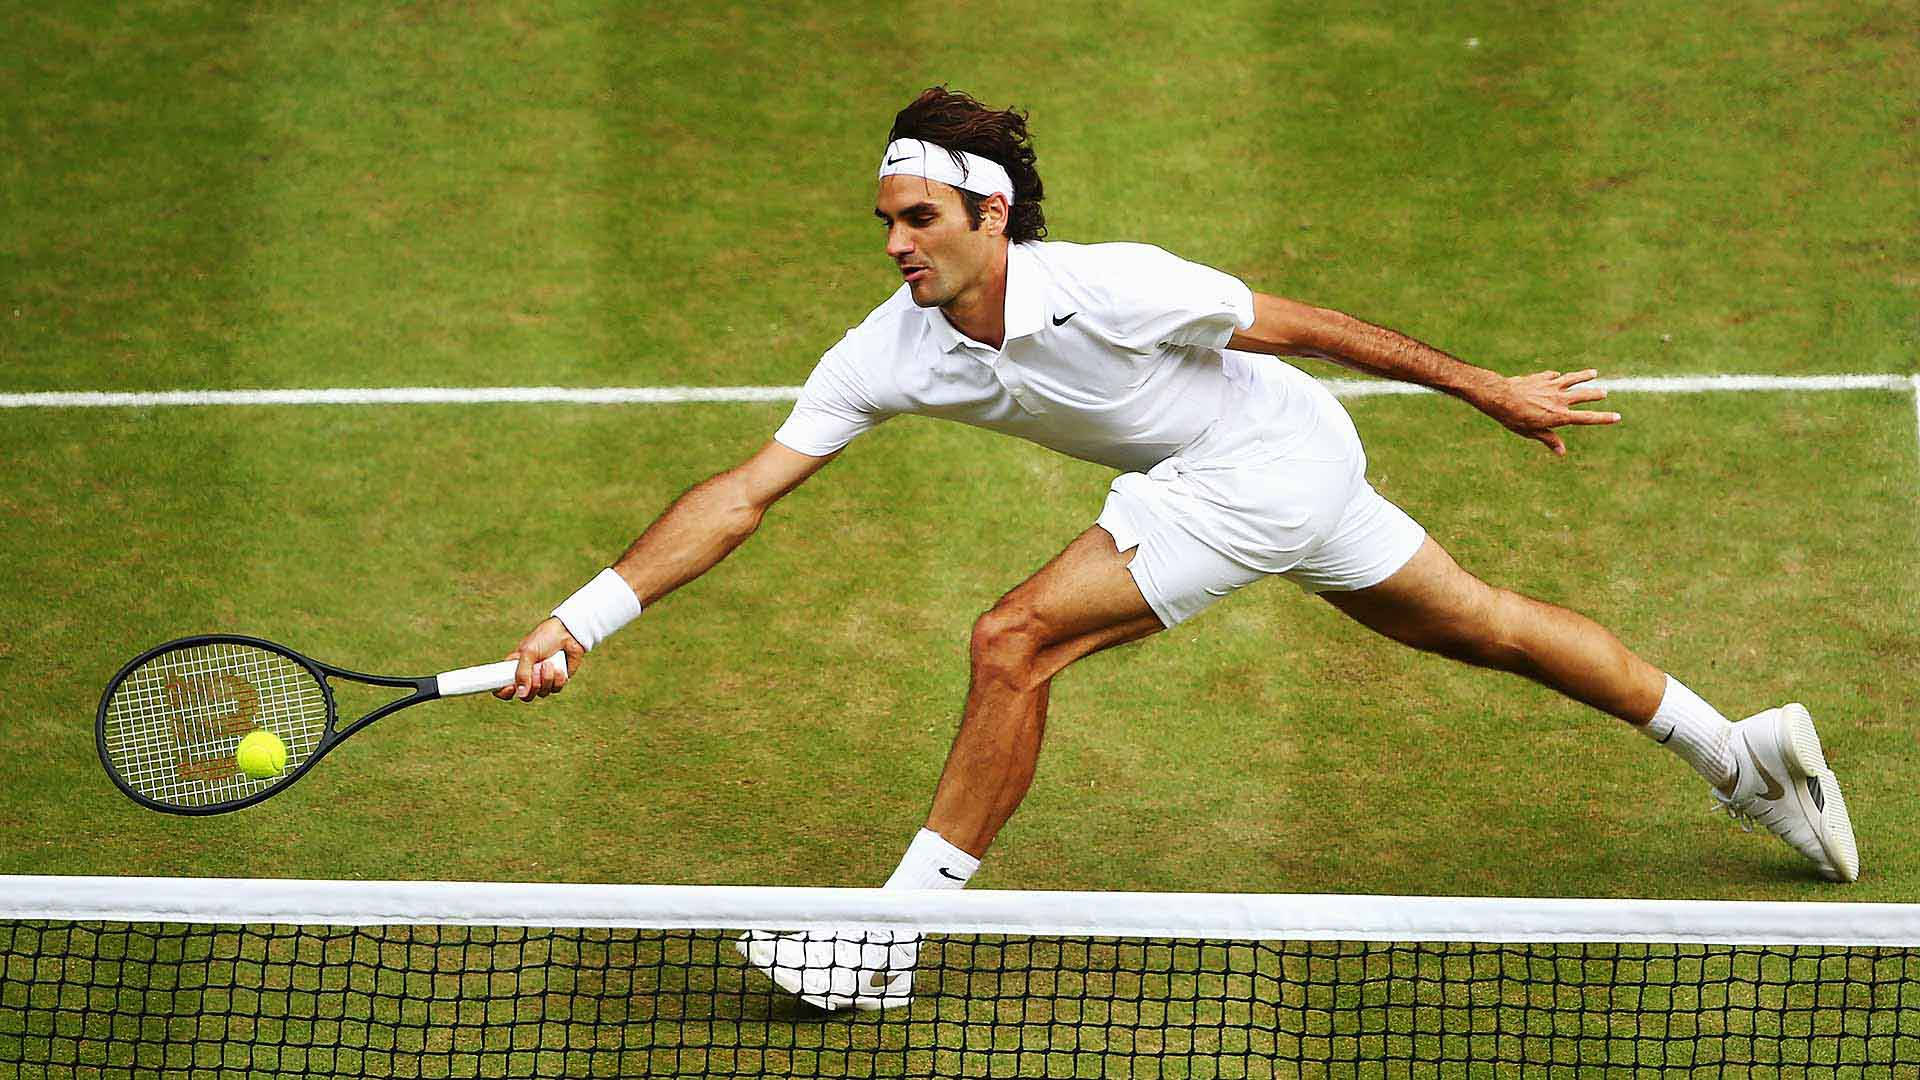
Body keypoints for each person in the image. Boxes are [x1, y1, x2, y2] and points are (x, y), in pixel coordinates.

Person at [497, 88, 1858, 1010]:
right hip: (1277, 462)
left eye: (921, 220)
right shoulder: (885, 350)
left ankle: (889, 941)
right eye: (887, 223)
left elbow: (1305, 323)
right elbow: (743, 495)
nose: (898, 245)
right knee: (1481, 622)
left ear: (990, 216)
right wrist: (580, 618)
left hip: (1262, 459)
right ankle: (1741, 757)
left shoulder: (1114, 285)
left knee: (1013, 640)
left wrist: (1487, 388)